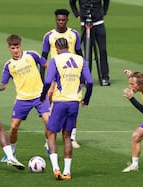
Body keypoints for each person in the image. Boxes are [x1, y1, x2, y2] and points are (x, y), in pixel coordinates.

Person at [0, 34, 51, 162]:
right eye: (13, 48)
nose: (16, 50)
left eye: (17, 47)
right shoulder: (9, 65)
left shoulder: (31, 55)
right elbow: (4, 84)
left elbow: (47, 65)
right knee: (13, 127)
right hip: (22, 99)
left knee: (48, 122)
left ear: (21, 46)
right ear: (9, 48)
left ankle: (47, 143)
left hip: (40, 95)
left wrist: (53, 79)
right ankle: (11, 152)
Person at [40, 38, 93, 180]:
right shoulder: (80, 59)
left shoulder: (55, 60)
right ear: (69, 46)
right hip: (74, 103)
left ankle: (56, 168)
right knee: (67, 136)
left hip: (60, 102)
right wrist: (86, 100)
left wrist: (42, 96)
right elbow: (90, 81)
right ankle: (67, 172)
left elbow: (47, 81)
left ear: (57, 48)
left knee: (51, 134)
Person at [41, 8, 83, 148]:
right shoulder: (49, 36)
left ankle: (72, 138)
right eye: (58, 20)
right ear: (55, 20)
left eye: (63, 20)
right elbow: (43, 57)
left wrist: (82, 77)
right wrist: (42, 78)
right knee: (50, 107)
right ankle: (49, 139)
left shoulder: (74, 34)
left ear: (67, 20)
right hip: (53, 75)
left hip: (70, 75)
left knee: (73, 103)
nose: (61, 22)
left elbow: (80, 55)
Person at [69, 0, 110, 86]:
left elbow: (107, 0)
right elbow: (72, 2)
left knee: (102, 50)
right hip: (85, 25)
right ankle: (87, 77)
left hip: (98, 24)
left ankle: (105, 77)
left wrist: (104, 12)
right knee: (87, 52)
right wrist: (77, 14)